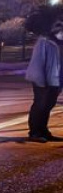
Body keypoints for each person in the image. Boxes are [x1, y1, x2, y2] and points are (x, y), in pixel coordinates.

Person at [24, 12, 63, 143]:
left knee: (48, 105)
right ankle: (34, 132)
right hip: (43, 80)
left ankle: (44, 131)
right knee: (40, 104)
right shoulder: (44, 42)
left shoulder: (57, 43)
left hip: (55, 80)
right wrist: (41, 81)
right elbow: (38, 63)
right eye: (57, 25)